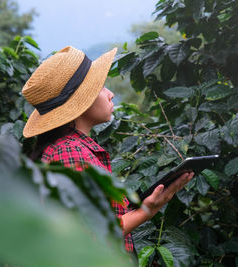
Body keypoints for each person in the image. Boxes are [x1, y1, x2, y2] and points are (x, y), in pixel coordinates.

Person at [22, 46, 194, 253]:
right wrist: (147, 210)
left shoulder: (70, 148)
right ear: (80, 102)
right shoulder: (71, 153)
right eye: (101, 88)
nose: (110, 94)